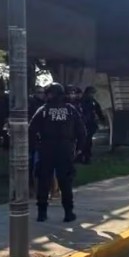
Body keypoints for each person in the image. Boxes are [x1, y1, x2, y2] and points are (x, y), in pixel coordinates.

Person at [29, 82, 86, 222]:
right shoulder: (71, 110)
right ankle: (68, 213)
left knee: (44, 181)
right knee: (65, 182)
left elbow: (31, 130)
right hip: (65, 150)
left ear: (49, 94)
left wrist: (35, 146)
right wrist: (79, 148)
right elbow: (81, 131)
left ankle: (42, 213)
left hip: (47, 149)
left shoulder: (43, 110)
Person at [79, 86, 107, 164]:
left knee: (88, 140)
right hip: (84, 123)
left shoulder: (92, 101)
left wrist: (102, 119)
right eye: (91, 93)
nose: (92, 95)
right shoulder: (83, 101)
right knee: (85, 140)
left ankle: (86, 156)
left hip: (90, 123)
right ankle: (83, 156)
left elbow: (98, 110)